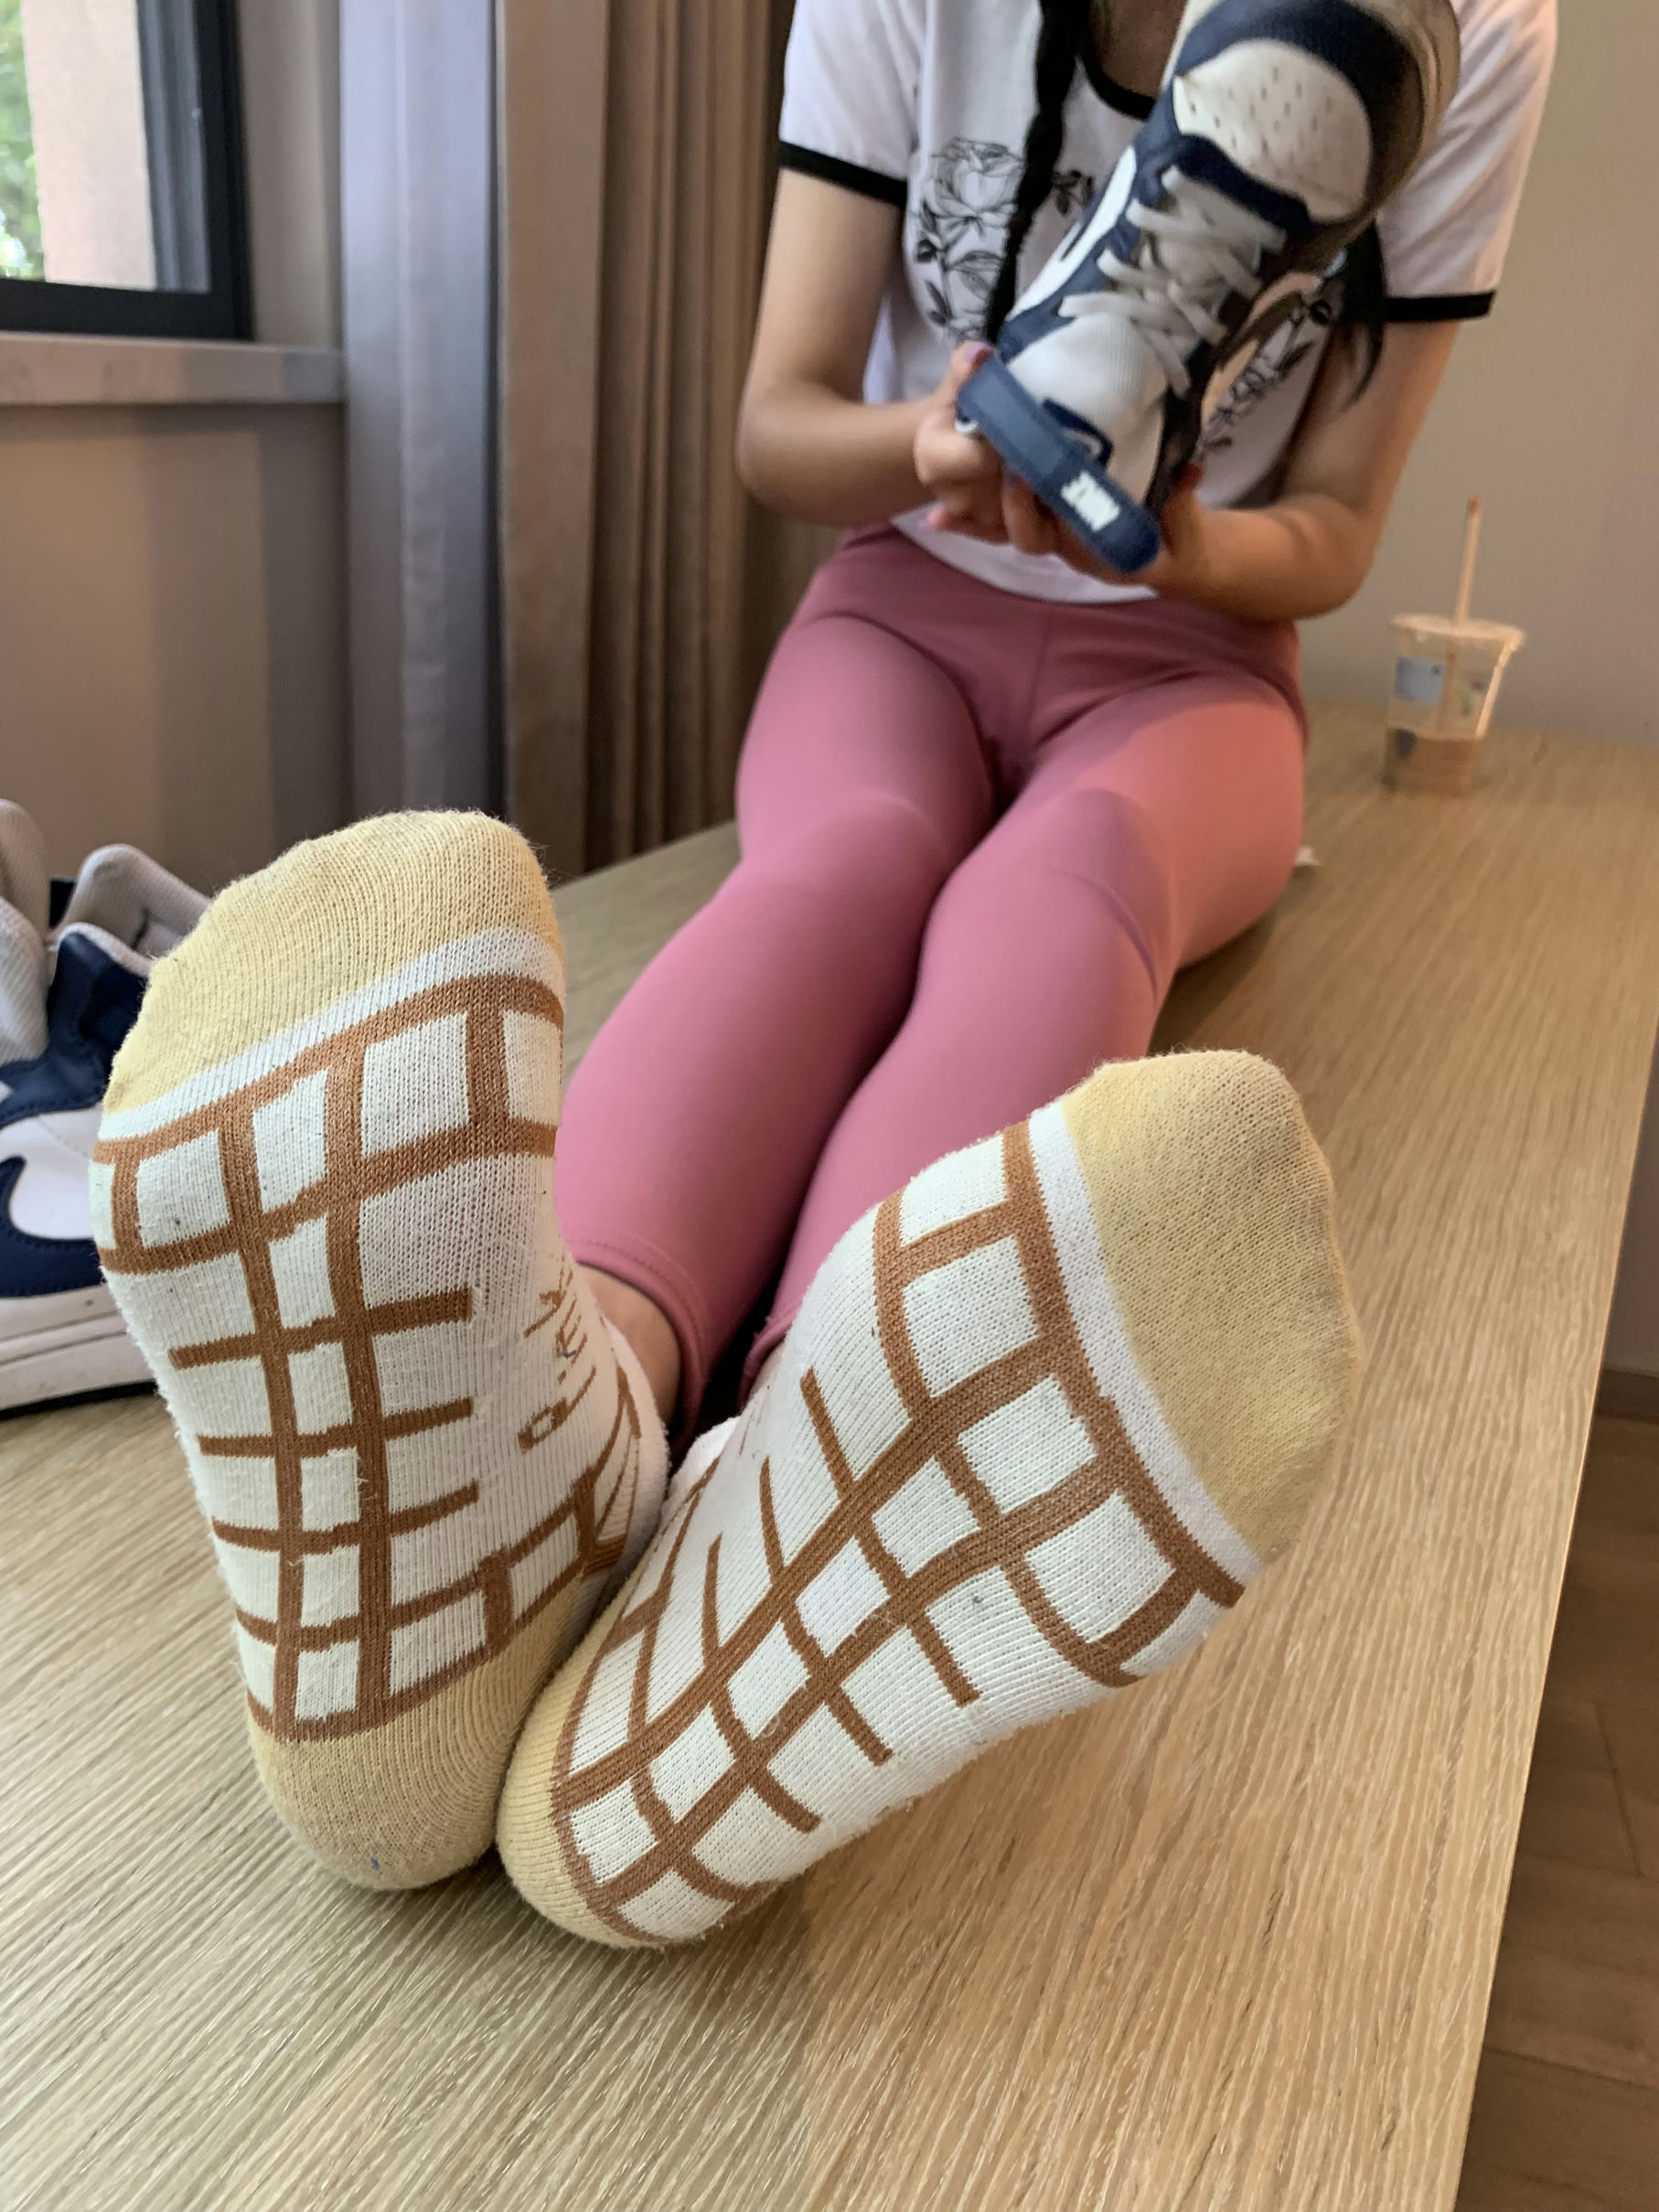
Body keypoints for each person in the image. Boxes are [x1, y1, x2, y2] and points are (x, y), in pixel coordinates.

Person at [100, 0, 1553, 1948]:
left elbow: (1339, 531)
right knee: (850, 866)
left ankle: (768, 1485)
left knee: (1064, 888)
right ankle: (572, 1435)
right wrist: (942, 446)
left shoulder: (1482, 20)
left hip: (1192, 663)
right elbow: (780, 426)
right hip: (902, 597)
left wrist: (1173, 543)